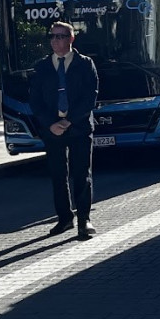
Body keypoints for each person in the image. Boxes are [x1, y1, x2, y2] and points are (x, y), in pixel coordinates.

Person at [29, 23, 99, 241]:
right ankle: (64, 218)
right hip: (52, 129)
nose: (55, 40)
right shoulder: (42, 66)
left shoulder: (85, 64)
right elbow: (35, 100)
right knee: (58, 175)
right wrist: (50, 124)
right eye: (52, 36)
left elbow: (90, 97)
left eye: (60, 36)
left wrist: (68, 121)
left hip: (78, 127)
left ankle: (84, 220)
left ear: (71, 39)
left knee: (81, 174)